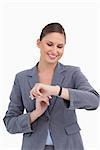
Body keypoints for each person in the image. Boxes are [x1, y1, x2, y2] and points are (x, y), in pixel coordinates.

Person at [3, 22, 99, 150]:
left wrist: (57, 90)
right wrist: (36, 113)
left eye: (60, 46)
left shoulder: (73, 73)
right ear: (38, 43)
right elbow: (10, 124)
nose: (54, 51)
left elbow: (94, 101)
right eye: (49, 44)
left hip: (69, 146)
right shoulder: (21, 78)